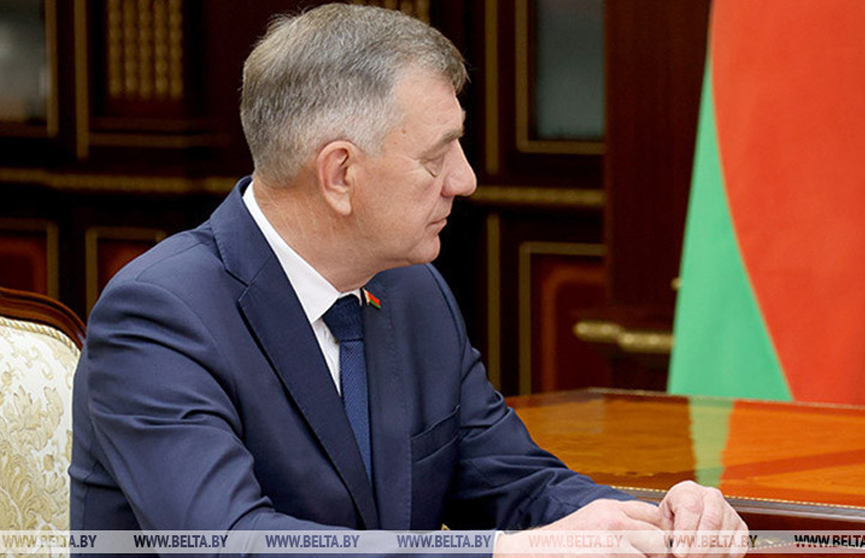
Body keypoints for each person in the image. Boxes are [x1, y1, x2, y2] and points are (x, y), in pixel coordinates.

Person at [70, 4, 747, 557]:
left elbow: (513, 481)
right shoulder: (161, 315)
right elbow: (229, 542)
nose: (465, 180)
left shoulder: (409, 288)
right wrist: (502, 553)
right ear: (340, 173)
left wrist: (651, 520)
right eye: (436, 156)